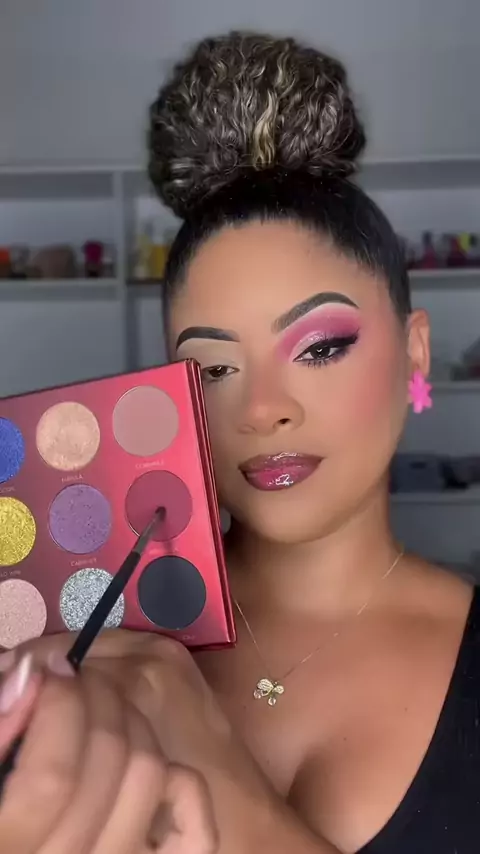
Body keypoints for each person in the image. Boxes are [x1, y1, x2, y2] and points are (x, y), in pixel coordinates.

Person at [1, 30, 479, 854]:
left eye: (319, 348)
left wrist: (236, 798)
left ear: (415, 352)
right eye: (214, 369)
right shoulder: (86, 626)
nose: (260, 410)